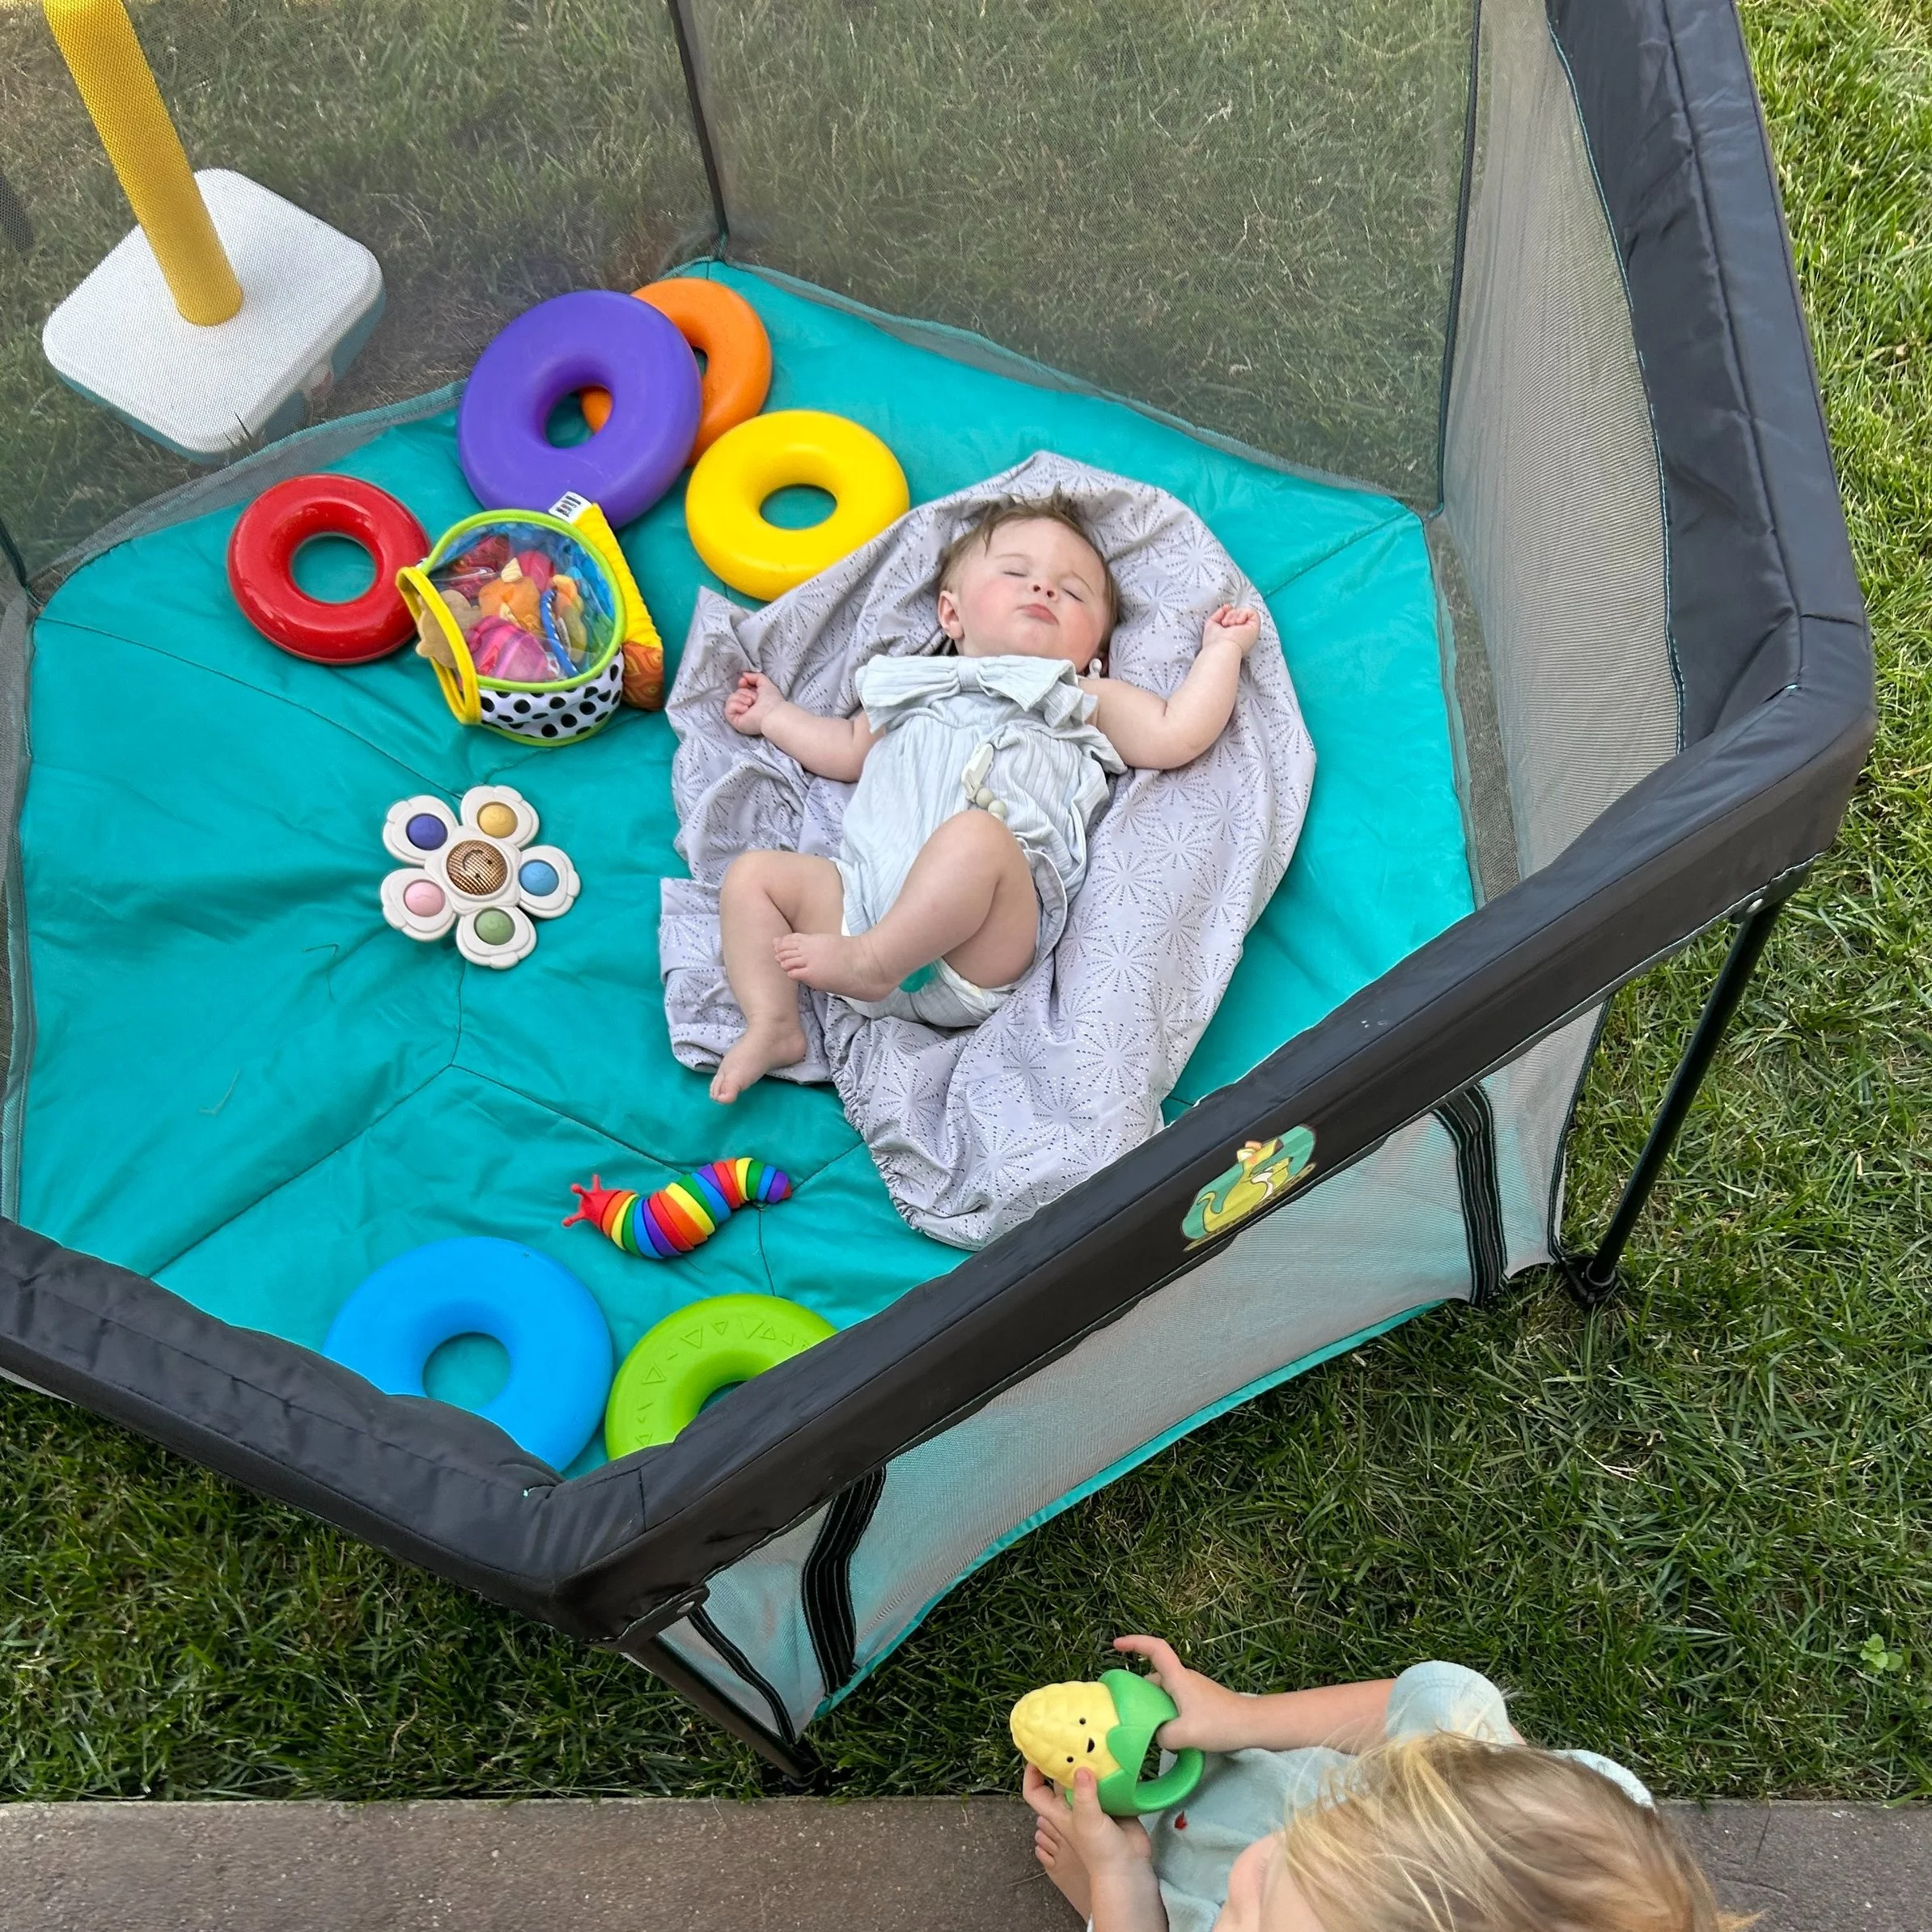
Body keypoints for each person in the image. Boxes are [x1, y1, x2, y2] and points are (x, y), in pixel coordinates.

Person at [708, 494, 1260, 1101]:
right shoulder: (911, 682)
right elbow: (842, 747)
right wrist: (776, 715)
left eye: (1072, 592)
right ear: (952, 614)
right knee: (753, 877)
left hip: (978, 946)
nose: (1044, 590)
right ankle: (775, 1023)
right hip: (857, 905)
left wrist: (1221, 654)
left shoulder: (1079, 696)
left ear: (1095, 653)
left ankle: (875, 961)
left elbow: (1177, 732)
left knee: (978, 836)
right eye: (1017, 574)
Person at [1023, 1638, 1746, 1932]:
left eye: (1250, 1922)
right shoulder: (1547, 1807)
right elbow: (1415, 1715)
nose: (1249, 1867)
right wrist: (1244, 1718)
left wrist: (1119, 1882)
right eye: (1298, 1841)